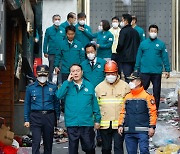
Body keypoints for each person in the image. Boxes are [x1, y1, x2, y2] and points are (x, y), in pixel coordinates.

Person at [56, 64, 101, 154]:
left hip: (86, 123)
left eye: (77, 71)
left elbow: (94, 104)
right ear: (70, 73)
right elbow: (58, 95)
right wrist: (67, 82)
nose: (75, 73)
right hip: (72, 123)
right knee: (73, 149)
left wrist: (97, 119)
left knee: (89, 148)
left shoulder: (89, 86)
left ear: (82, 72)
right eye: (73, 71)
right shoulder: (67, 86)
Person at [95, 60, 130, 154]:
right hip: (104, 124)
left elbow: (129, 106)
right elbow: (95, 107)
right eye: (108, 73)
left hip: (119, 124)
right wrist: (96, 121)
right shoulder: (99, 88)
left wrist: (125, 122)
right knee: (106, 149)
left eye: (113, 73)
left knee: (118, 148)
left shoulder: (125, 86)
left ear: (117, 72)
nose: (110, 76)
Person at [24, 65, 60, 154]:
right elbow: (27, 104)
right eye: (40, 74)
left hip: (49, 116)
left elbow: (56, 103)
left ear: (48, 75)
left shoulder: (53, 87)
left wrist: (57, 117)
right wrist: (26, 119)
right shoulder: (30, 88)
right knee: (36, 141)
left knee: (48, 142)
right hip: (35, 116)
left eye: (44, 74)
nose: (42, 77)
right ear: (36, 74)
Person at [118, 72, 157, 154]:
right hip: (129, 130)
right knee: (131, 152)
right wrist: (120, 125)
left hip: (142, 131)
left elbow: (152, 112)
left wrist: (152, 127)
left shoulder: (147, 96)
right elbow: (123, 112)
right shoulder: (127, 96)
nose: (130, 83)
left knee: (144, 151)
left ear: (139, 82)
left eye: (132, 80)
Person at [134, 24, 170, 110]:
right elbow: (139, 56)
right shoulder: (143, 44)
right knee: (142, 90)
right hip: (145, 71)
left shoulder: (161, 44)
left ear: (157, 33)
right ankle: (141, 108)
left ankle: (155, 109)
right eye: (151, 31)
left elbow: (165, 57)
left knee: (156, 92)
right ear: (148, 32)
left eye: (155, 31)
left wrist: (167, 70)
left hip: (156, 72)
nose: (153, 33)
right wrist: (136, 68)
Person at [81, 43, 106, 146]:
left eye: (91, 52)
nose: (90, 54)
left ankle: (100, 136)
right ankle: (91, 136)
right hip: (88, 93)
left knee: (100, 113)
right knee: (89, 114)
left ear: (95, 51)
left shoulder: (103, 63)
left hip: (101, 93)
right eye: (87, 52)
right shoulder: (83, 65)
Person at [116, 14, 140, 82]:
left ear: (126, 21)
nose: (121, 22)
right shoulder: (135, 32)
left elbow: (120, 44)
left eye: (122, 20)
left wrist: (117, 50)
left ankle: (128, 91)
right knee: (134, 77)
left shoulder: (123, 31)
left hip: (125, 58)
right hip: (135, 57)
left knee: (127, 77)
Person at [43, 14, 65, 82]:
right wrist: (45, 51)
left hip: (60, 54)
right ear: (53, 20)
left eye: (58, 19)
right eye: (56, 19)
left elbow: (65, 41)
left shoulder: (63, 30)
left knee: (60, 68)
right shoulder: (49, 30)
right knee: (51, 69)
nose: (57, 21)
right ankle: (50, 82)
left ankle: (59, 84)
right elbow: (45, 41)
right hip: (52, 52)